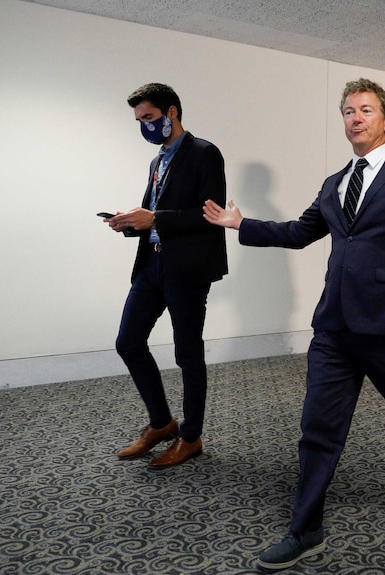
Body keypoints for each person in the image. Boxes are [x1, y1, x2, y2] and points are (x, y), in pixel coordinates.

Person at [202, 78, 385, 571]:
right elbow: (298, 233)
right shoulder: (334, 182)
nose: (355, 118)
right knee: (318, 427)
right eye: (349, 111)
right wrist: (240, 225)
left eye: (366, 110)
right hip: (334, 327)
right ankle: (305, 528)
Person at [102, 83, 227, 469]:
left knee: (187, 353)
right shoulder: (157, 162)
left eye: (149, 118)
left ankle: (190, 438)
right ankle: (162, 423)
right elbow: (156, 213)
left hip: (187, 270)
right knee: (128, 342)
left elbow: (212, 214)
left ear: (171, 112)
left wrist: (155, 218)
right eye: (139, 120)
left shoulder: (204, 153)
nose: (145, 126)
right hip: (151, 265)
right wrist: (129, 222)